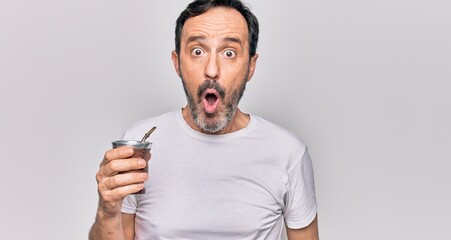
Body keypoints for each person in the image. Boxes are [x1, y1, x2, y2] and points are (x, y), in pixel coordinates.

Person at [89, 0, 319, 239]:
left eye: (229, 53)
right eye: (198, 51)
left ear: (251, 66)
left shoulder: (288, 152)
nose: (211, 70)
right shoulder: (138, 147)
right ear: (177, 62)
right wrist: (107, 211)